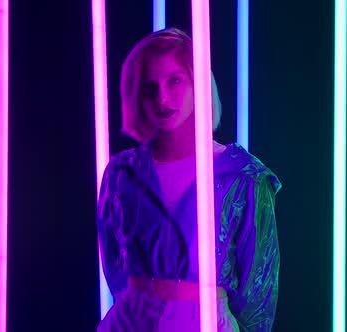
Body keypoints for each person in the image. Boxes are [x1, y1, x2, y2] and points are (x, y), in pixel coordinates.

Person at [96, 28, 281, 332]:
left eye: (175, 80)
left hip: (206, 323)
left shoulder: (243, 177)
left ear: (199, 84)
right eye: (150, 86)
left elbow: (259, 290)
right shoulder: (121, 175)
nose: (163, 98)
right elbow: (115, 267)